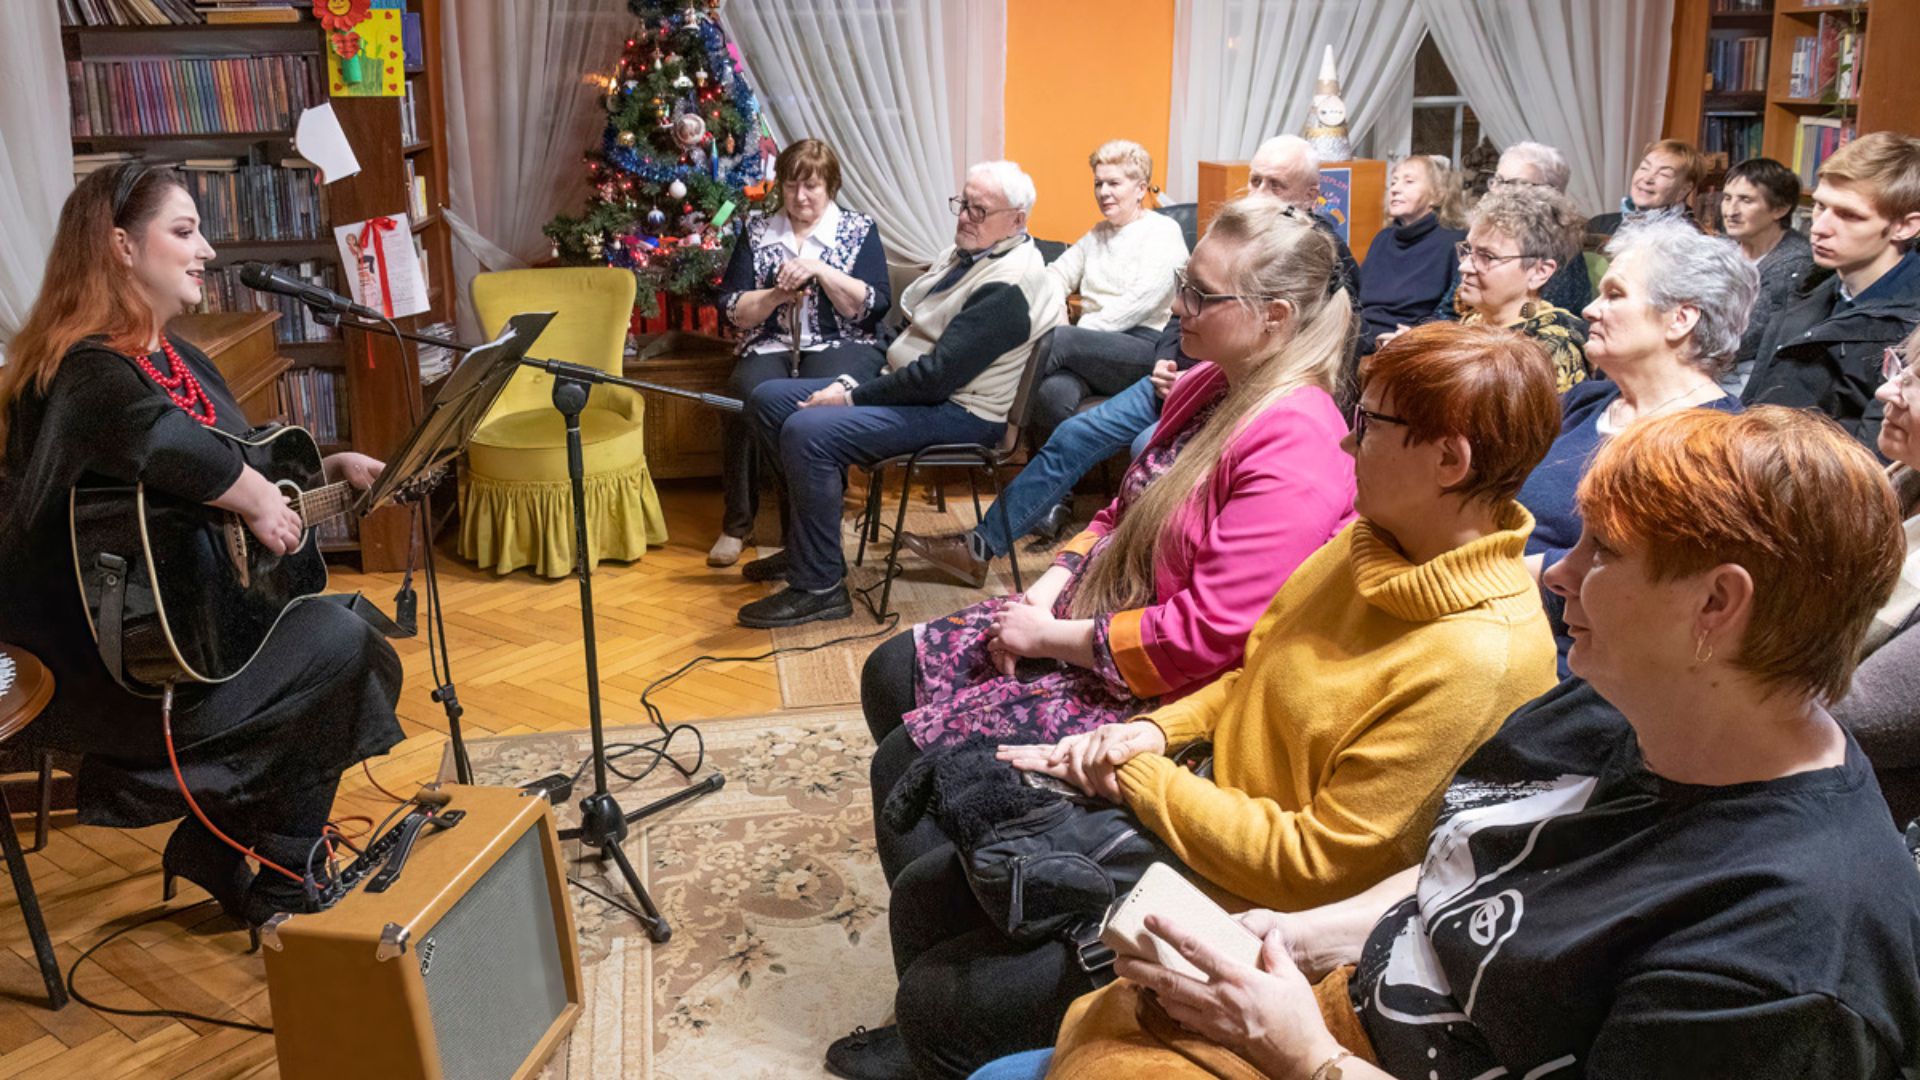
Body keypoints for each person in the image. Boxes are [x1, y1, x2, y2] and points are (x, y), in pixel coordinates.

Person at [1038, 407, 1920, 1080]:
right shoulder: (1635, 702)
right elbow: (1462, 872)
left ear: (1716, 606)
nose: (1560, 572)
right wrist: (1294, 936)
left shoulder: (1786, 960)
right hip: (1351, 1004)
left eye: (1605, 554)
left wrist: (1305, 1054)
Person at [838, 322, 1562, 1080]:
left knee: (944, 1003)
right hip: (1200, 806)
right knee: (928, 891)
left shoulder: (1479, 658)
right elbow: (1253, 670)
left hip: (1257, 907)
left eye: (1371, 426)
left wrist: (1141, 779)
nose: (1349, 447)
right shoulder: (1374, 547)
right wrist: (1150, 734)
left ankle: (952, 1047)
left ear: (1450, 459)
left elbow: (1313, 867)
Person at [0, 163, 404, 928]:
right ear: (120, 245)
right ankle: (274, 864)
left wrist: (329, 471)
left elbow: (237, 453)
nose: (208, 251)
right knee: (341, 645)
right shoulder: (79, 368)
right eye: (184, 231)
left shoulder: (178, 358)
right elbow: (157, 441)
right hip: (112, 678)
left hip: (177, 650)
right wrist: (252, 498)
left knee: (350, 635)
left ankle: (248, 854)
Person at [864, 197, 1356, 772]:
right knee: (891, 673)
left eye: (1201, 294)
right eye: (1183, 284)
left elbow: (1206, 637)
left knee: (909, 763)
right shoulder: (1209, 383)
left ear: (1274, 315)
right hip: (1093, 616)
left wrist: (1048, 638)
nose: (1178, 305)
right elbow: (1120, 513)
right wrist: (1043, 593)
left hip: (1161, 683)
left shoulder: (1299, 440)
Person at [902, 134, 1360, 584]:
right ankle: (982, 548)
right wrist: (1165, 364)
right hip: (1175, 381)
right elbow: (1176, 316)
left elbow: (1321, 355)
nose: (1259, 193)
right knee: (1071, 428)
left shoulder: (1322, 261)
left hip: (1235, 400)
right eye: (1254, 180)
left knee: (1142, 446)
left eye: (1274, 185)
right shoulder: (1231, 239)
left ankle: (1130, 580)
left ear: (1310, 194)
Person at [734, 160, 1065, 628]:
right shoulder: (971, 253)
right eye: (963, 204)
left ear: (1017, 220)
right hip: (925, 390)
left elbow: (935, 378)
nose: (965, 217)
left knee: (808, 431)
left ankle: (821, 586)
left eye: (979, 209)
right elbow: (906, 337)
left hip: (961, 412)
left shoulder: (1008, 285)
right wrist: (851, 382)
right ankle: (808, 550)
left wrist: (850, 398)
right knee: (768, 399)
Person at [1518, 219, 1754, 581]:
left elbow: (1636, 575)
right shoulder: (1586, 401)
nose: (1590, 310)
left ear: (1680, 319)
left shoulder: (1720, 446)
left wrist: (1488, 574)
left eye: (1614, 295)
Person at [708, 138, 892, 567]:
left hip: (841, 341)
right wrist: (774, 295)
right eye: (791, 186)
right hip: (770, 342)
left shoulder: (857, 230)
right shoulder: (758, 232)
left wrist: (822, 270)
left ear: (831, 187)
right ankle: (737, 523)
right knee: (741, 396)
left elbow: (872, 305)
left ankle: (808, 525)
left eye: (812, 187)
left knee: (815, 404)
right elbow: (732, 309)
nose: (800, 197)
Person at [1741, 131, 1920, 449]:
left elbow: (1876, 468)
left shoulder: (1911, 328)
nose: (1819, 228)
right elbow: (1756, 403)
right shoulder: (1806, 284)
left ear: (1905, 226)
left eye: (1849, 216)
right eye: (1820, 207)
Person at [1026, 139, 1190, 439]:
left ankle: (987, 402)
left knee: (1059, 340)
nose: (1103, 192)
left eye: (1114, 183)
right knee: (1052, 394)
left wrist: (1077, 332)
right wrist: (1058, 308)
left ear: (1140, 189)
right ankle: (1069, 485)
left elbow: (1140, 300)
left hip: (1144, 345)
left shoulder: (1163, 232)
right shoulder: (1097, 234)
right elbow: (1055, 275)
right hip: (1088, 348)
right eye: (1098, 183)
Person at [1835, 324, 1920, 825]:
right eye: (1899, 366)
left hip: (1863, 818)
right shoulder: (1894, 486)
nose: (1886, 389)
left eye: (1914, 379)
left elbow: (1861, 717)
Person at [1451, 183, 1590, 391]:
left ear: (1539, 272)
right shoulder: (1474, 320)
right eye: (1468, 250)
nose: (1464, 266)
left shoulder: (1550, 352)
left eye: (1487, 256)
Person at [1717, 156, 1823, 395]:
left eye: (1745, 200)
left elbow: (1747, 339)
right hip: (1710, 361)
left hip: (1753, 378)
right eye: (1727, 198)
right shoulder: (1723, 246)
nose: (1731, 211)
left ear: (1780, 209)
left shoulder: (1795, 263)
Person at [1358, 155, 1465, 352]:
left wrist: (1415, 337)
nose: (1395, 189)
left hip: (1412, 345)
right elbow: (1357, 301)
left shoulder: (1454, 242)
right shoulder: (1382, 238)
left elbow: (1456, 312)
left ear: (1438, 194)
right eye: (1393, 182)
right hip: (1362, 339)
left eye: (1409, 182)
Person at [1484, 140, 1593, 313]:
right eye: (1497, 180)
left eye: (1515, 185)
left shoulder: (1559, 249)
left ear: (1551, 195)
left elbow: (1533, 320)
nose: (1499, 191)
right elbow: (1450, 306)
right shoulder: (1486, 235)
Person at [1585, 138, 1704, 237]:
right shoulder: (1599, 225)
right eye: (1644, 168)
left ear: (1683, 190)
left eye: (1664, 174)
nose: (1647, 179)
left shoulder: (1688, 238)